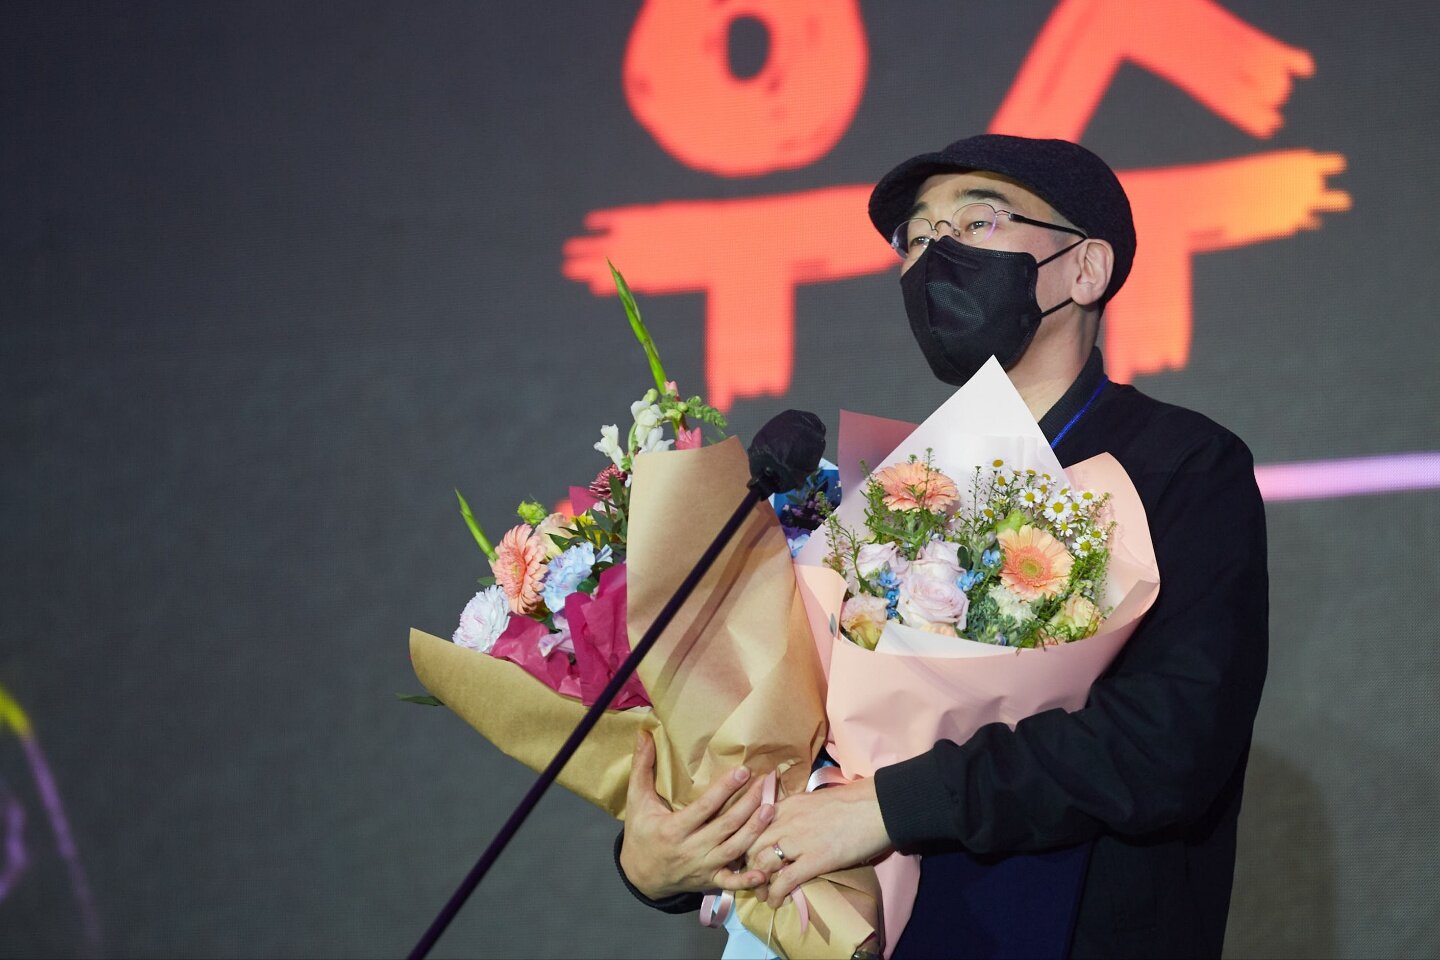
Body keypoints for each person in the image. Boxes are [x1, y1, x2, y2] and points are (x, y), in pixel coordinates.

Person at [616, 134, 1269, 959]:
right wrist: (657, 861)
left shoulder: (1181, 464)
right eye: (918, 237)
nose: (935, 255)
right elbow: (788, 738)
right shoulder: (890, 495)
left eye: (977, 221)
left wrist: (890, 807)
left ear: (1084, 268)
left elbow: (1168, 740)